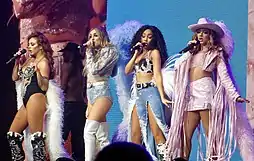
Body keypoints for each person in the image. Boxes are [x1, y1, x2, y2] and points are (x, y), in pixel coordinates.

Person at [165, 18, 250, 161]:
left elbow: (225, 77)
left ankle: (214, 159)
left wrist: (235, 95)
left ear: (210, 35)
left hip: (205, 92)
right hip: (190, 95)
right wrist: (189, 51)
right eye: (198, 32)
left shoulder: (216, 54)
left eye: (204, 32)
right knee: (185, 135)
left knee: (211, 134)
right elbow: (177, 66)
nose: (200, 35)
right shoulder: (191, 53)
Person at [7, 31, 68, 161]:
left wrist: (38, 72)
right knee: (13, 134)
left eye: (32, 44)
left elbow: (44, 86)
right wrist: (17, 62)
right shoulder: (29, 60)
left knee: (37, 138)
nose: (29, 47)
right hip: (26, 100)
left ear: (40, 46)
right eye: (28, 44)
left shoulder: (43, 62)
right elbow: (15, 77)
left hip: (36, 97)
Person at [124, 25, 171, 161]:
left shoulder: (154, 53)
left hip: (151, 92)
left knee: (157, 131)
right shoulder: (138, 54)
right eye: (143, 36)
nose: (146, 39)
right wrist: (135, 55)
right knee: (135, 134)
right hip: (138, 94)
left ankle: (165, 158)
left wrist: (162, 95)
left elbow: (157, 75)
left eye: (149, 37)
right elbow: (127, 71)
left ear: (154, 39)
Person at [83, 26, 119, 161]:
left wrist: (88, 52)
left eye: (95, 36)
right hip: (91, 94)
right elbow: (88, 79)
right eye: (90, 36)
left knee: (88, 131)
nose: (92, 39)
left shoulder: (110, 50)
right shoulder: (94, 53)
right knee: (102, 137)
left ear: (103, 37)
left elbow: (95, 70)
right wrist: (89, 103)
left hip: (102, 93)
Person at [59, 42, 87, 161]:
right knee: (78, 137)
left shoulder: (67, 65)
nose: (63, 55)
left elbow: (63, 86)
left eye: (65, 52)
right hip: (81, 105)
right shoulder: (82, 66)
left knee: (61, 135)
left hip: (69, 104)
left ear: (71, 53)